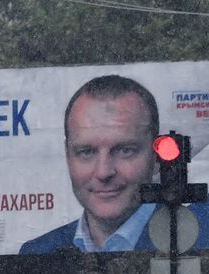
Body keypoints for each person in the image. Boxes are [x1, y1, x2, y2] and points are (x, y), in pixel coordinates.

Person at [20, 75, 160, 254]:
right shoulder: (38, 254)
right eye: (86, 152)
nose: (104, 172)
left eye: (125, 150)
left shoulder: (199, 245)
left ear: (156, 156)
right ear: (67, 154)